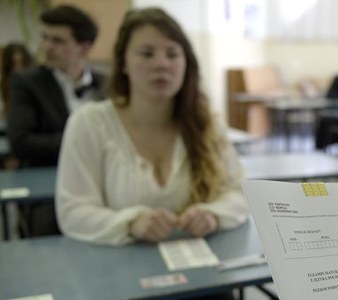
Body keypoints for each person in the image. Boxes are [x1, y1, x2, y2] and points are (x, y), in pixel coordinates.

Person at [56, 6, 249, 256]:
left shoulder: (206, 124)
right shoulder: (90, 124)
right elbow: (73, 212)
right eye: (146, 54)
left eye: (172, 54)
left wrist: (213, 214)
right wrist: (131, 223)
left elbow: (239, 192)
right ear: (123, 63)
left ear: (186, 64)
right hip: (116, 273)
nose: (161, 64)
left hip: (201, 271)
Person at [7, 5, 105, 236]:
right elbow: (21, 142)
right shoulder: (26, 82)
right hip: (51, 179)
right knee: (49, 225)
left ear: (84, 47)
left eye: (58, 41)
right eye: (45, 38)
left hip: (102, 178)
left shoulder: (107, 85)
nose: (47, 47)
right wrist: (81, 144)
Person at [1, 43, 34, 170]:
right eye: (13, 64)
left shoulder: (36, 91)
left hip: (29, 159)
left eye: (22, 63)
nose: (17, 69)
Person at [1, 43, 34, 117]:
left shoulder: (36, 83)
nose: (17, 69)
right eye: (13, 64)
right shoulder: (5, 83)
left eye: (20, 63)